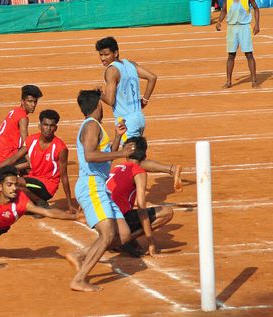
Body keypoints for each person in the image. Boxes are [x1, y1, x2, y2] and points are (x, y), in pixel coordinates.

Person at [66, 89, 134, 292]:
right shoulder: (91, 126)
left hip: (100, 186)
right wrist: (122, 152)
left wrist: (116, 137)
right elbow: (90, 156)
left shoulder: (95, 127)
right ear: (97, 105)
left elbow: (104, 155)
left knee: (122, 234)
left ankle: (80, 255)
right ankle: (79, 279)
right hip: (92, 185)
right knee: (107, 234)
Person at [95, 36, 183, 192]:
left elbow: (109, 99)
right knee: (135, 158)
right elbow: (152, 77)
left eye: (106, 54)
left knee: (135, 160)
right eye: (101, 54)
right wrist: (145, 99)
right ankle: (134, 191)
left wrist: (98, 94)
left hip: (126, 121)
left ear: (115, 53)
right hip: (139, 117)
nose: (103, 58)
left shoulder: (111, 71)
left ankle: (171, 169)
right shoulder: (131, 64)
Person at [0, 110, 77, 213]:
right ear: (40, 125)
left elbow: (64, 176)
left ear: (56, 128)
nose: (48, 129)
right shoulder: (32, 140)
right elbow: (14, 158)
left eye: (51, 126)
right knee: (6, 183)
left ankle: (40, 202)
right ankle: (34, 205)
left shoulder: (60, 148)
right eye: (45, 125)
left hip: (48, 186)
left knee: (15, 183)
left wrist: (69, 204)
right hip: (32, 179)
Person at [106, 136, 174, 257]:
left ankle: (120, 238)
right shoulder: (138, 172)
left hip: (104, 218)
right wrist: (151, 242)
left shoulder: (117, 167)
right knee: (167, 212)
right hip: (119, 219)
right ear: (144, 155)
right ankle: (121, 240)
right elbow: (142, 208)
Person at [0, 85, 43, 166]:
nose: (33, 105)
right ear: (22, 101)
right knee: (39, 162)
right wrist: (31, 162)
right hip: (4, 157)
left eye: (35, 101)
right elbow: (26, 143)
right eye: (30, 101)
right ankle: (11, 169)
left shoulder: (14, 111)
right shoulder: (23, 118)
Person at [216, 0, 260, 88]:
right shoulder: (227, 0)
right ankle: (228, 82)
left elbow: (256, 8)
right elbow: (224, 11)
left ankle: (254, 81)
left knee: (249, 54)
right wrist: (219, 21)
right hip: (232, 28)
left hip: (245, 27)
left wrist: (257, 24)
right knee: (231, 55)